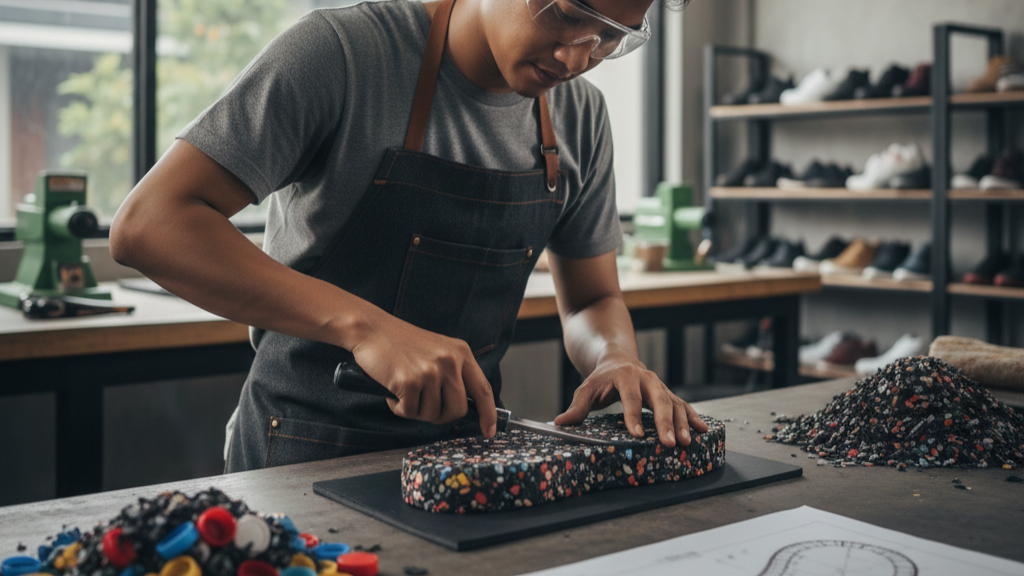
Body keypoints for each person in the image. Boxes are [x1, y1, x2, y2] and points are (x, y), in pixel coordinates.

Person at [110, 0, 706, 472]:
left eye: (610, 36)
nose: (577, 57)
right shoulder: (343, 54)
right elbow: (150, 224)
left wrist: (614, 356)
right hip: (300, 452)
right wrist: (366, 327)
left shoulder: (581, 116)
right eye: (570, 13)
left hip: (471, 459)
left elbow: (593, 299)